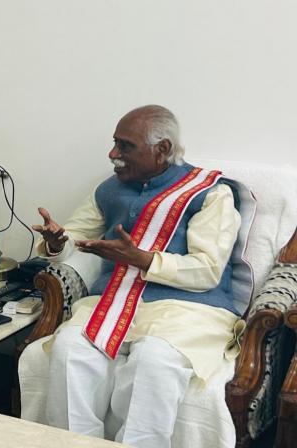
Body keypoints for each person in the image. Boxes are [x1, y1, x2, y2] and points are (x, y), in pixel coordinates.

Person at [22, 105, 243, 448]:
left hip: (186, 309)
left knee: (153, 361)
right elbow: (74, 237)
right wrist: (56, 241)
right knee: (69, 349)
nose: (113, 154)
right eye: (115, 143)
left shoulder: (210, 193)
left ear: (163, 149)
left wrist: (141, 259)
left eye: (125, 146)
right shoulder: (108, 190)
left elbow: (207, 269)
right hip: (111, 299)